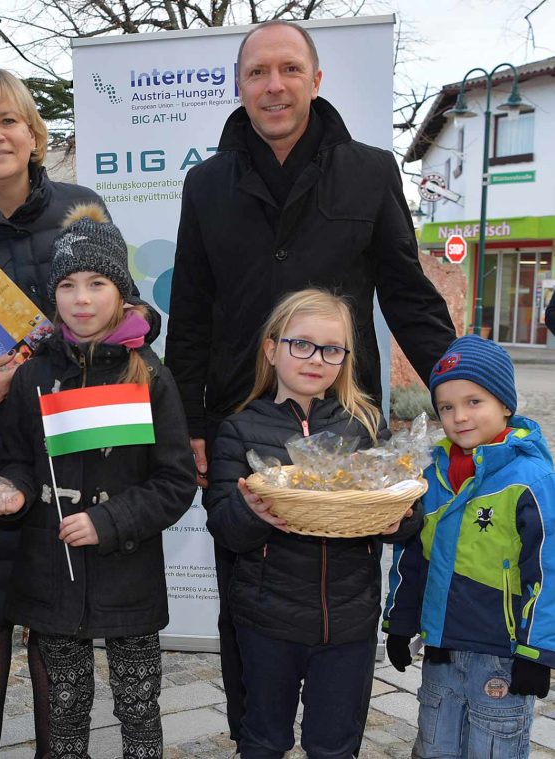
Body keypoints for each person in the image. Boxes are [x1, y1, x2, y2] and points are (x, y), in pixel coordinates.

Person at [163, 20, 455, 743]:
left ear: (315, 80)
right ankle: (255, 732)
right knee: (247, 599)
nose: (273, 85)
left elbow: (408, 293)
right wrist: (189, 425)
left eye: (289, 69)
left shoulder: (369, 170)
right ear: (240, 85)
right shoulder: (206, 184)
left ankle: (336, 728)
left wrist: (460, 382)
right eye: (258, 72)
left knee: (343, 585)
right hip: (240, 419)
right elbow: (191, 314)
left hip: (343, 420)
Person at [0, 68, 160, 758]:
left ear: (34, 133)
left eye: (8, 121)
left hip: (77, 448)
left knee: (56, 622)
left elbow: (131, 309)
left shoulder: (82, 206)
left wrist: (132, 333)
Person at [0, 205, 194, 758]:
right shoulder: (32, 373)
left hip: (128, 571)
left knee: (137, 704)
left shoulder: (149, 373)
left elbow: (175, 482)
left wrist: (107, 520)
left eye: (97, 283)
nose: (81, 299)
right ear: (52, 293)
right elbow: (19, 458)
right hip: (54, 571)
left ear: (121, 293)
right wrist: (11, 489)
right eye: (67, 284)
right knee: (63, 703)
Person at [206, 289, 420, 758]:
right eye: (301, 344)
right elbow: (223, 525)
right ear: (271, 348)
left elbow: (401, 510)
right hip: (267, 620)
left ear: (345, 358)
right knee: (262, 740)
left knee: (335, 746)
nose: (316, 359)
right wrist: (250, 511)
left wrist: (399, 518)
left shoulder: (365, 425)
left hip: (348, 621)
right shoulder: (240, 430)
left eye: (332, 349)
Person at [384, 335, 555, 758]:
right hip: (441, 650)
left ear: (505, 404)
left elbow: (548, 569)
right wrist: (401, 620)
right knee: (434, 745)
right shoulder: (433, 474)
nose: (458, 417)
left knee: (493, 748)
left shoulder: (530, 479)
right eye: (446, 406)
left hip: (503, 656)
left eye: (474, 401)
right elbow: (412, 555)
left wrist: (538, 651)